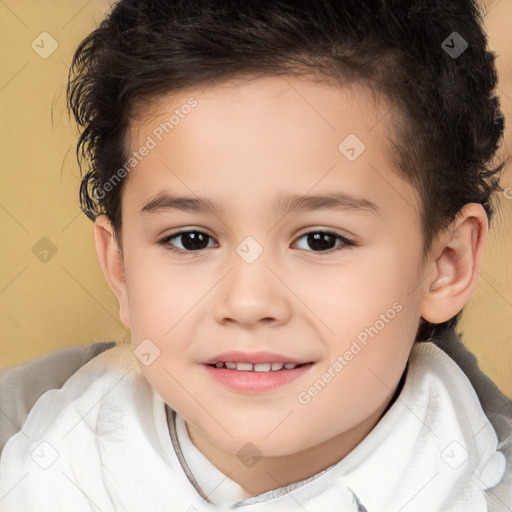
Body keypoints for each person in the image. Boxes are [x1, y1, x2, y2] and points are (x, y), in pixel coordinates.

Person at [0, 0, 511, 510]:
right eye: (191, 239)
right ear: (120, 268)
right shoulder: (33, 456)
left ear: (446, 264)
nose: (248, 303)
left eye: (321, 240)